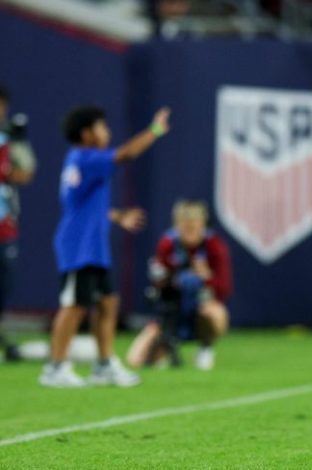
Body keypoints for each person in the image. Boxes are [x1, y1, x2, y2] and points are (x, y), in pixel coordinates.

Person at [38, 106, 171, 387]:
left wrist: (118, 216)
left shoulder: (80, 160)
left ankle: (104, 365)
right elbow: (126, 154)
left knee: (108, 303)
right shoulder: (86, 158)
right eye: (102, 127)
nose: (107, 132)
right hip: (78, 248)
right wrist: (155, 130)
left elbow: (83, 205)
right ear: (86, 133)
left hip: (94, 248)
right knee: (74, 306)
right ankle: (56, 367)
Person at [126, 200, 232, 371]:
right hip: (172, 311)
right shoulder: (168, 244)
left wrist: (206, 277)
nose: (189, 230)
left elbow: (224, 289)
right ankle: (165, 350)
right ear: (177, 225)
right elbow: (157, 285)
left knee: (216, 315)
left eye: (194, 225)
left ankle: (205, 348)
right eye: (185, 225)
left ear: (202, 225)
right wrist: (170, 279)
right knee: (135, 359)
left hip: (199, 310)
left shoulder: (214, 245)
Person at [0, 84, 36, 362]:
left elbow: (25, 175)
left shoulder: (8, 138)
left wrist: (20, 144)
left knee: (3, 287)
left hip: (4, 225)